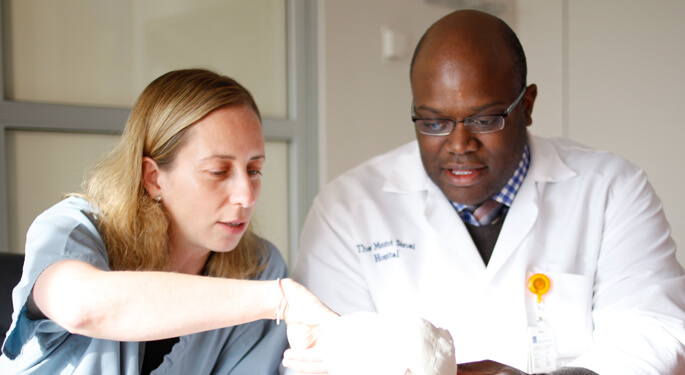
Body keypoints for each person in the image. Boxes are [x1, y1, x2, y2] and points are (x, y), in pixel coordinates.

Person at [291, 9, 685, 375]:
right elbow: (321, 359)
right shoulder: (346, 209)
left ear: (526, 106)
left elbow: (655, 332)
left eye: (483, 119)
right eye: (433, 123)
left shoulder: (611, 189)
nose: (459, 144)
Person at [0, 69, 336, 375]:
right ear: (154, 178)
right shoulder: (72, 229)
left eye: (254, 170)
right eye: (218, 172)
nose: (246, 196)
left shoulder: (260, 267)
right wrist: (279, 300)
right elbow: (80, 307)